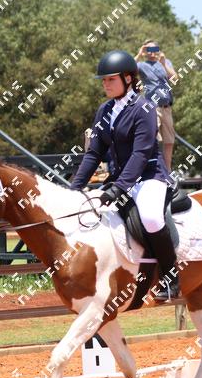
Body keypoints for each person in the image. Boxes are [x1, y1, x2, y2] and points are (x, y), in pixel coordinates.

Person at [70, 50, 179, 302]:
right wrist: (74, 188)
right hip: (121, 180)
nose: (105, 84)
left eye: (111, 79)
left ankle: (171, 278)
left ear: (128, 78)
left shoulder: (144, 108)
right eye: (103, 80)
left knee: (151, 218)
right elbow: (93, 153)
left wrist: (117, 188)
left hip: (150, 177)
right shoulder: (104, 110)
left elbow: (140, 154)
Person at [135, 40, 177, 170]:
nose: (152, 53)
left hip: (166, 107)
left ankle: (167, 171)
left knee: (169, 141)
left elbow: (175, 78)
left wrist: (163, 63)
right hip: (152, 106)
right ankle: (154, 169)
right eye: (149, 50)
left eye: (154, 49)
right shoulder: (141, 65)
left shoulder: (165, 62)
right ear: (145, 51)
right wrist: (139, 54)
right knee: (153, 137)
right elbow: (128, 70)